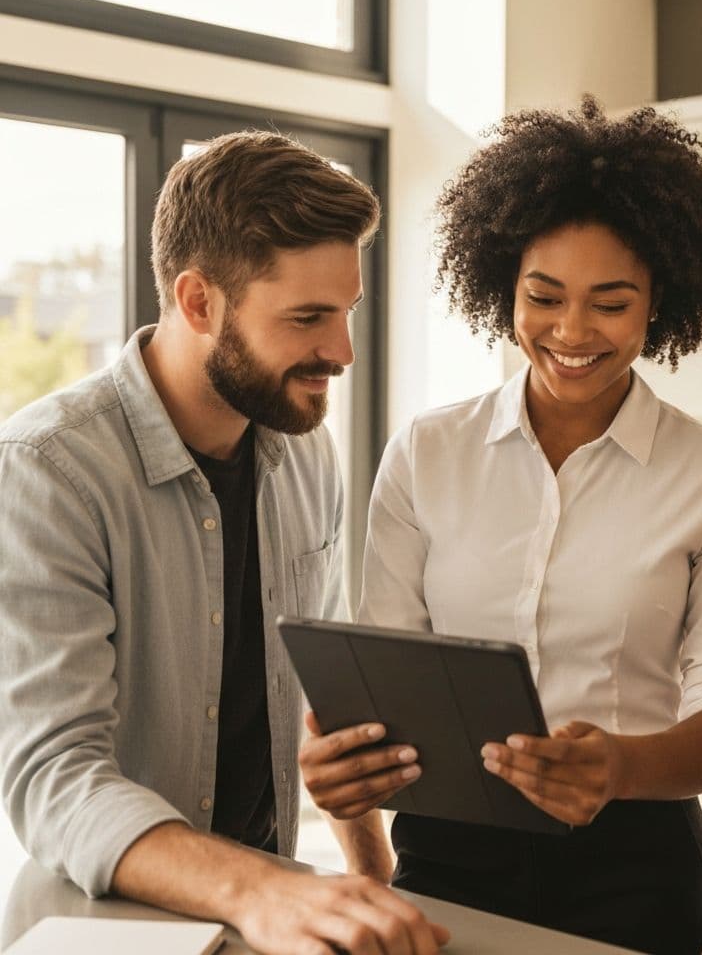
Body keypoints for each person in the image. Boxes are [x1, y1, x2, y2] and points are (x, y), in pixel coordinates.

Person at [300, 97, 702, 955]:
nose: (571, 332)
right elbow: (388, 668)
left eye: (611, 303)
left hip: (635, 861)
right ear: (503, 285)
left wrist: (621, 766)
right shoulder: (427, 453)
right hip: (447, 852)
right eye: (544, 296)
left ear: (658, 299)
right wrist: (346, 764)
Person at [0, 131, 448, 955]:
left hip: (262, 917)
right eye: (308, 319)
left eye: (345, 313)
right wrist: (263, 889)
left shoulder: (304, 446)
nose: (342, 353)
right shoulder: (45, 471)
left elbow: (322, 702)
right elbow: (53, 778)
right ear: (199, 301)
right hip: (105, 928)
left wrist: (372, 878)